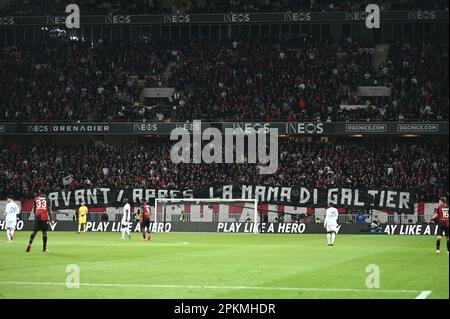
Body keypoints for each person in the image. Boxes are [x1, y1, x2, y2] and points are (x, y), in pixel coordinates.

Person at [26, 189, 53, 253]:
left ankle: (30, 244)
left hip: (37, 217)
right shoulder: (47, 199)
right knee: (44, 233)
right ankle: (44, 249)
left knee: (34, 232)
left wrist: (36, 215)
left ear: (39, 192)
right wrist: (51, 218)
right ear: (44, 192)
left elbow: (34, 209)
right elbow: (49, 209)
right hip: (44, 217)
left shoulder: (36, 198)